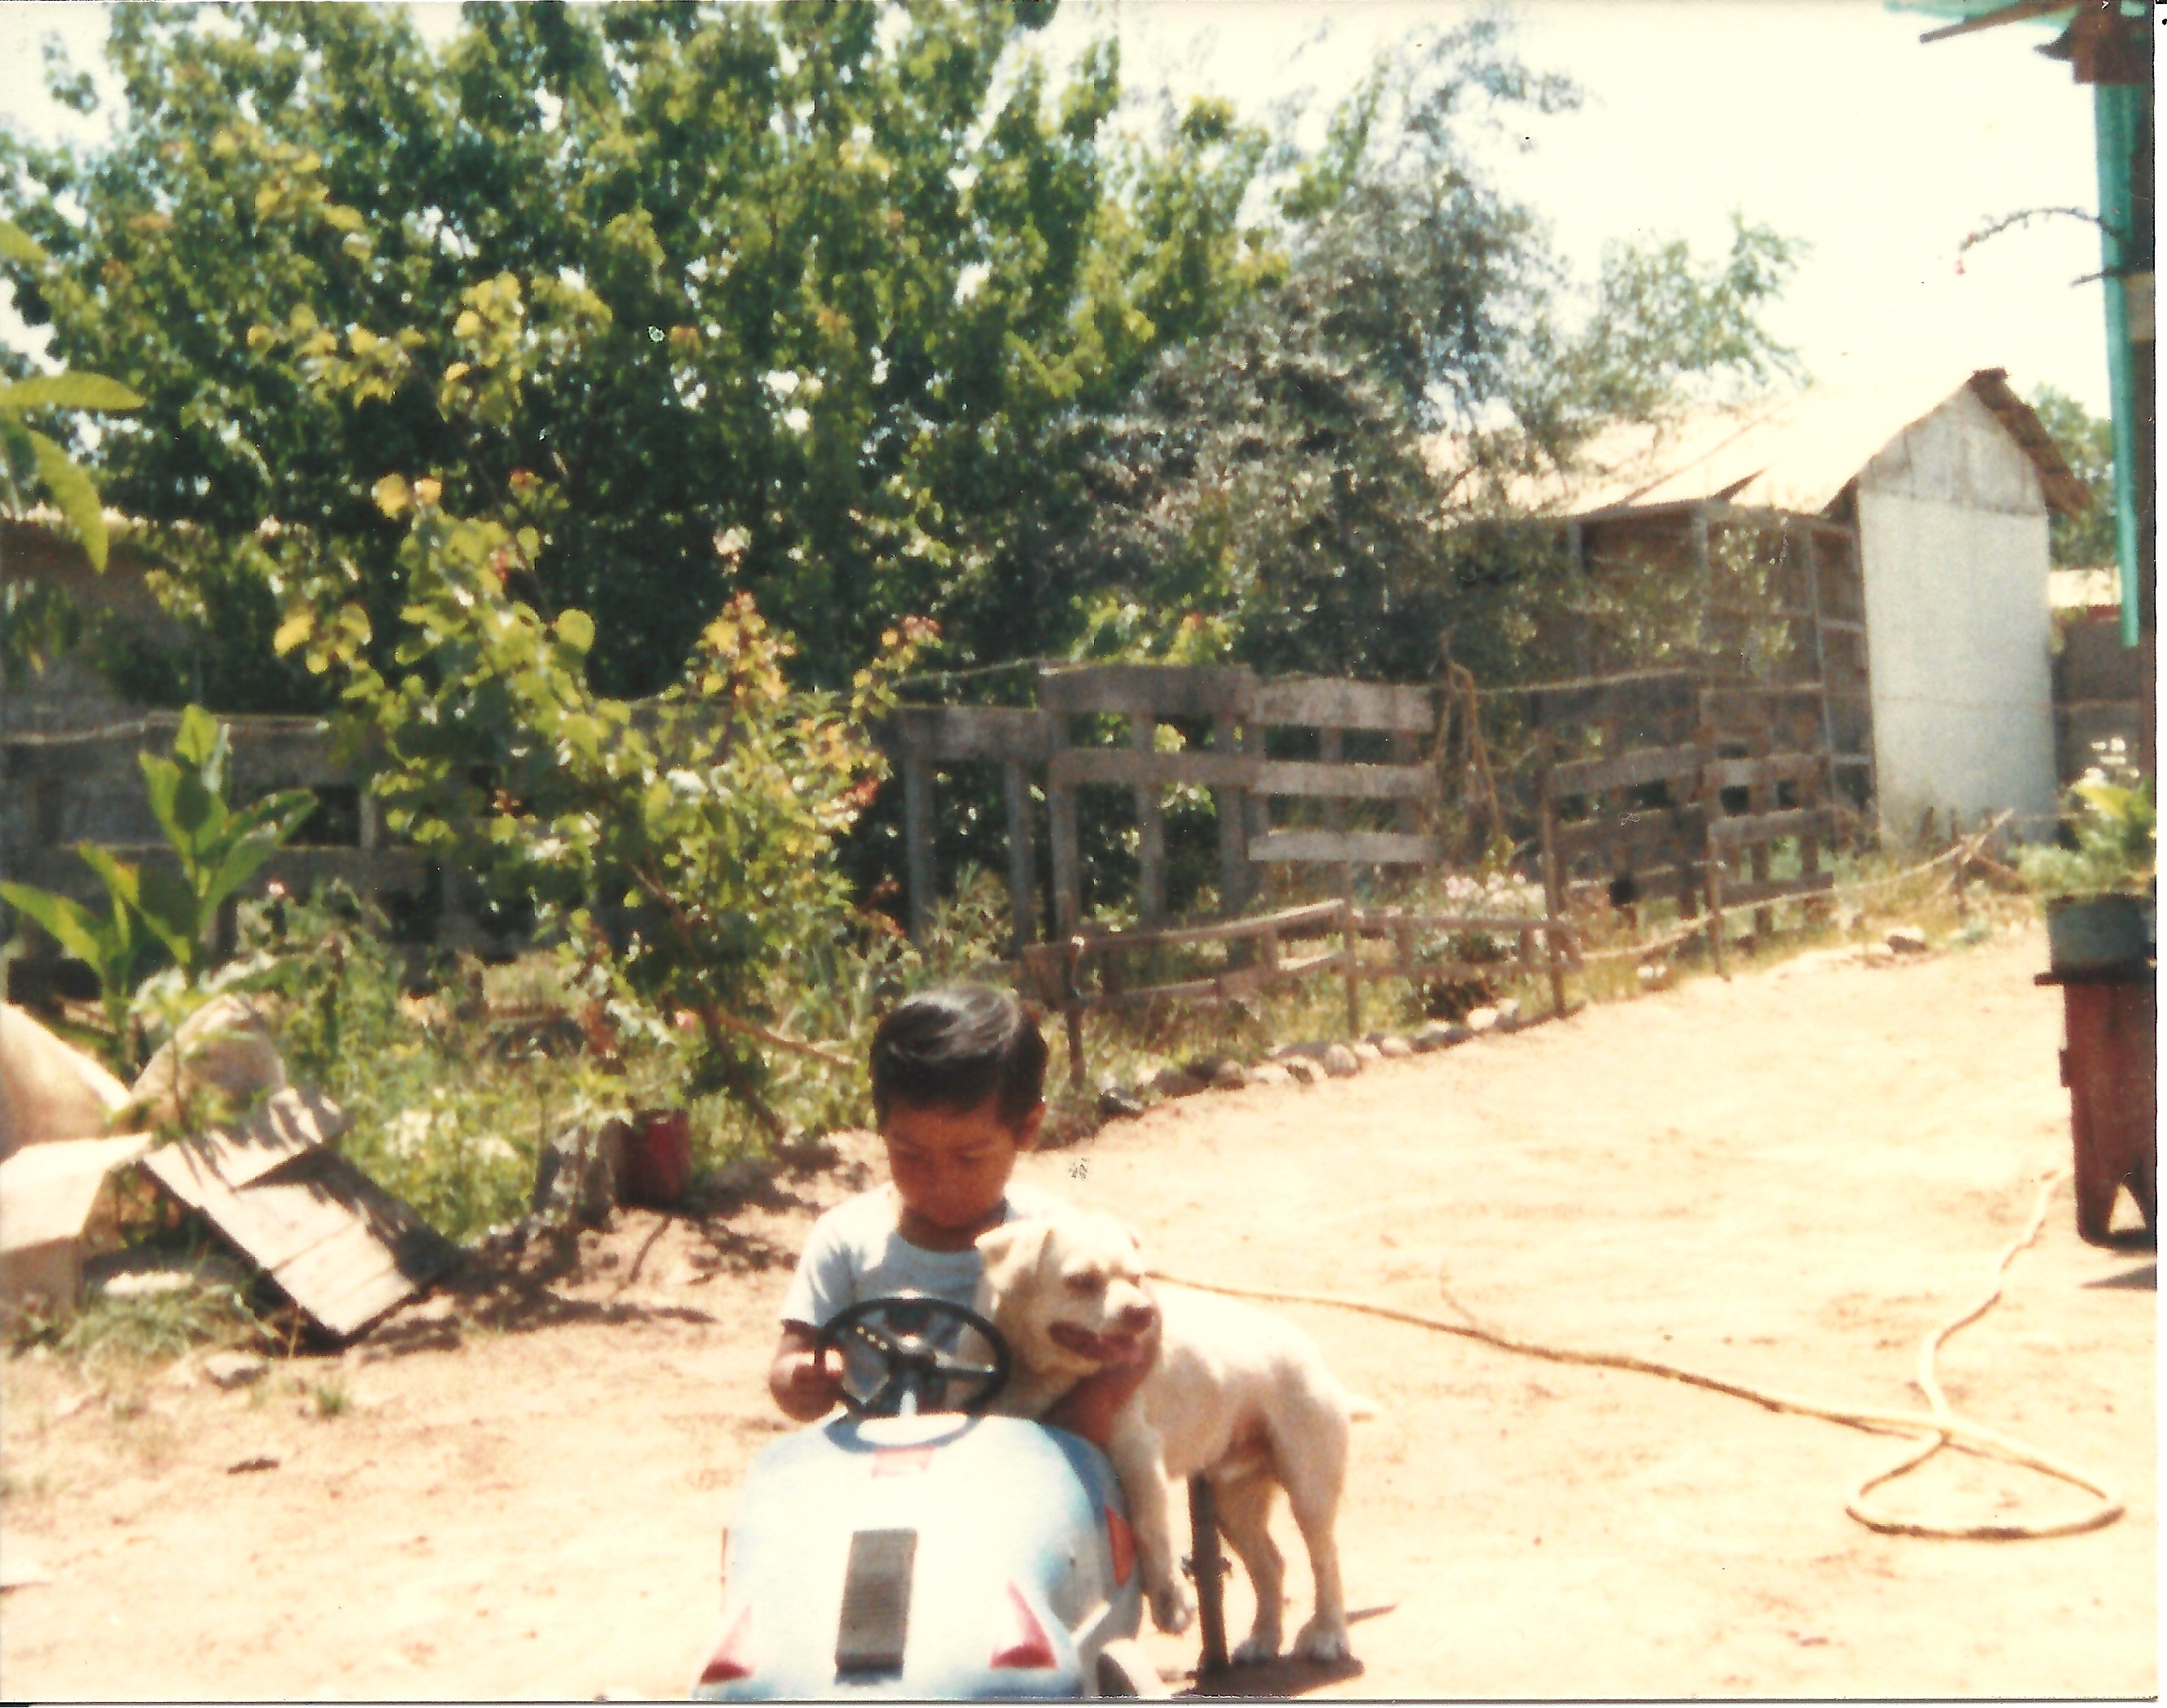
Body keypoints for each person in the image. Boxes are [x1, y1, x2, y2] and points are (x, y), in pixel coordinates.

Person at [767, 986, 1155, 1446]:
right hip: (877, 1457)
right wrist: (804, 1380)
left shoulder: (1050, 1237)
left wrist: (1092, 1405)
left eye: (970, 1158)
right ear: (882, 1128)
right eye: (909, 1154)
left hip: (1015, 1455)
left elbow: (1146, 1328)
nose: (940, 1180)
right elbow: (791, 1360)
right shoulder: (846, 1237)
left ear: (1027, 1128)